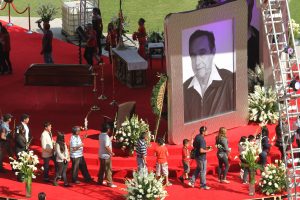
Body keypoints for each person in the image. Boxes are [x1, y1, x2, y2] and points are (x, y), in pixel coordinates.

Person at [183, 30, 234, 123]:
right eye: (193, 55)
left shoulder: (230, 81)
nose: (197, 62)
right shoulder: (184, 89)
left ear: (213, 52)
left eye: (202, 53)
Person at [97, 122, 117, 188]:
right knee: (108, 169)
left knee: (102, 169)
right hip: (106, 156)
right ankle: (109, 183)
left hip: (101, 155)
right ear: (108, 129)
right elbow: (106, 146)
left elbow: (105, 141)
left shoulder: (101, 135)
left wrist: (110, 138)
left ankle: (99, 181)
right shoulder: (106, 136)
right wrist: (111, 152)